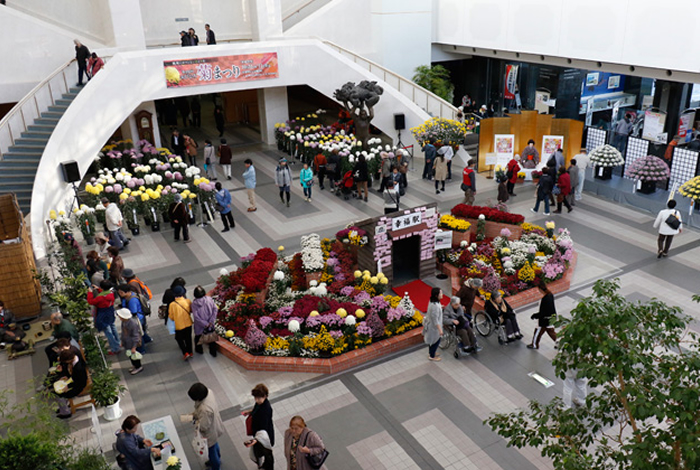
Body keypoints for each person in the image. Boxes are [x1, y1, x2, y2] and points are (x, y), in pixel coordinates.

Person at [187, 383, 224, 470]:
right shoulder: (209, 392)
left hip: (210, 432)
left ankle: (216, 466)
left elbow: (204, 426)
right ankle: (218, 458)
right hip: (215, 424)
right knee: (215, 445)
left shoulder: (205, 409)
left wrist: (196, 422)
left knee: (211, 451)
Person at [87, 280, 121, 355]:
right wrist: (99, 289)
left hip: (102, 314)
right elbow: (104, 293)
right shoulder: (111, 293)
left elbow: (91, 301)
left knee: (108, 332)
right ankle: (118, 342)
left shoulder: (100, 297)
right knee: (113, 327)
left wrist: (90, 293)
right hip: (110, 311)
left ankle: (115, 348)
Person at [54, 349, 88, 418]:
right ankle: (64, 406)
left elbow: (79, 381)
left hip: (79, 386)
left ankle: (65, 412)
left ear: (69, 360)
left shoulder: (78, 367)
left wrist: (68, 386)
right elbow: (75, 376)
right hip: (75, 381)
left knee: (58, 393)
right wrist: (68, 377)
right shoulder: (76, 357)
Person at [527, 284, 557, 349]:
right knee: (551, 332)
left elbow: (543, 312)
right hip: (551, 318)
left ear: (540, 289)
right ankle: (560, 343)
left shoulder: (544, 299)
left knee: (538, 331)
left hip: (544, 320)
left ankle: (534, 345)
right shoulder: (550, 295)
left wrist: (535, 315)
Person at [169, 285, 193, 360]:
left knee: (179, 338)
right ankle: (190, 352)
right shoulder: (188, 301)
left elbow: (171, 317)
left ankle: (185, 352)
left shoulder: (172, 305)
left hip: (179, 326)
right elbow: (191, 310)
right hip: (188, 323)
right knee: (188, 338)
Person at [192, 286, 218, 357]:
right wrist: (211, 321)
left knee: (198, 338)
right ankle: (213, 352)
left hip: (199, 325)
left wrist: (205, 324)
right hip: (210, 323)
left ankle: (199, 350)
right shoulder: (209, 299)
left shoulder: (194, 304)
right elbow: (215, 309)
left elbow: (196, 317)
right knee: (211, 338)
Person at [117, 308, 144, 374]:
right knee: (130, 356)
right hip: (127, 343)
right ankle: (134, 365)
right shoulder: (124, 322)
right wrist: (122, 341)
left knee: (135, 357)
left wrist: (134, 347)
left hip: (132, 343)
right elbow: (123, 332)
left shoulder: (132, 324)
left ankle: (138, 367)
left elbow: (136, 336)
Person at [423, 287, 444, 361]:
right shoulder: (435, 306)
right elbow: (435, 320)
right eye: (440, 293)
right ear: (436, 295)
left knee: (433, 340)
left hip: (433, 326)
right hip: (434, 327)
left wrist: (440, 307)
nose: (442, 294)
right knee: (435, 341)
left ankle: (432, 352)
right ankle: (432, 356)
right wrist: (440, 330)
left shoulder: (434, 302)